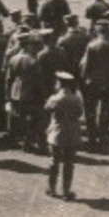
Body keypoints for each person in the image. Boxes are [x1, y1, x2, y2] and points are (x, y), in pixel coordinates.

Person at [44, 70, 84, 199]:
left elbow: (46, 110)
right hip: (72, 133)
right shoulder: (76, 98)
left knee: (54, 161)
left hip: (56, 132)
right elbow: (79, 113)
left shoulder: (54, 98)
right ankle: (66, 191)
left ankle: (52, 188)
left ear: (60, 83)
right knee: (69, 163)